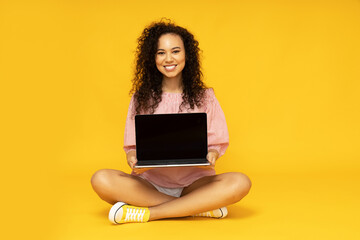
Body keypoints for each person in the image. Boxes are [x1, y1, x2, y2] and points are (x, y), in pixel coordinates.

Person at [91, 20, 252, 224]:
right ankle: (197, 207)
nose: (168, 58)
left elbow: (217, 144)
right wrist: (132, 158)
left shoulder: (206, 97)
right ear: (152, 58)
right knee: (101, 179)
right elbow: (131, 148)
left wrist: (212, 153)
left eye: (175, 51)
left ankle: (150, 213)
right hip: (150, 185)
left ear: (187, 55)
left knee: (240, 182)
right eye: (161, 53)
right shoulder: (141, 98)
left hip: (195, 184)